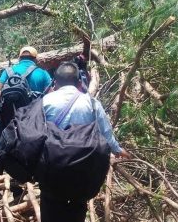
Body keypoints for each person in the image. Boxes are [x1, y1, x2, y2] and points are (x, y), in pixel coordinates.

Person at [41, 62, 131, 222]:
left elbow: (34, 133)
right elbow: (106, 134)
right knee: (78, 207)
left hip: (52, 169)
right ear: (79, 82)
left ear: (55, 83)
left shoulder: (45, 101)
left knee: (50, 206)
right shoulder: (92, 103)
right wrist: (118, 150)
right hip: (82, 169)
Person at [0, 46, 52, 137]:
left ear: (19, 58)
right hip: (34, 123)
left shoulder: (7, 72)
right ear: (35, 59)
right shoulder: (43, 73)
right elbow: (51, 96)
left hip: (10, 123)